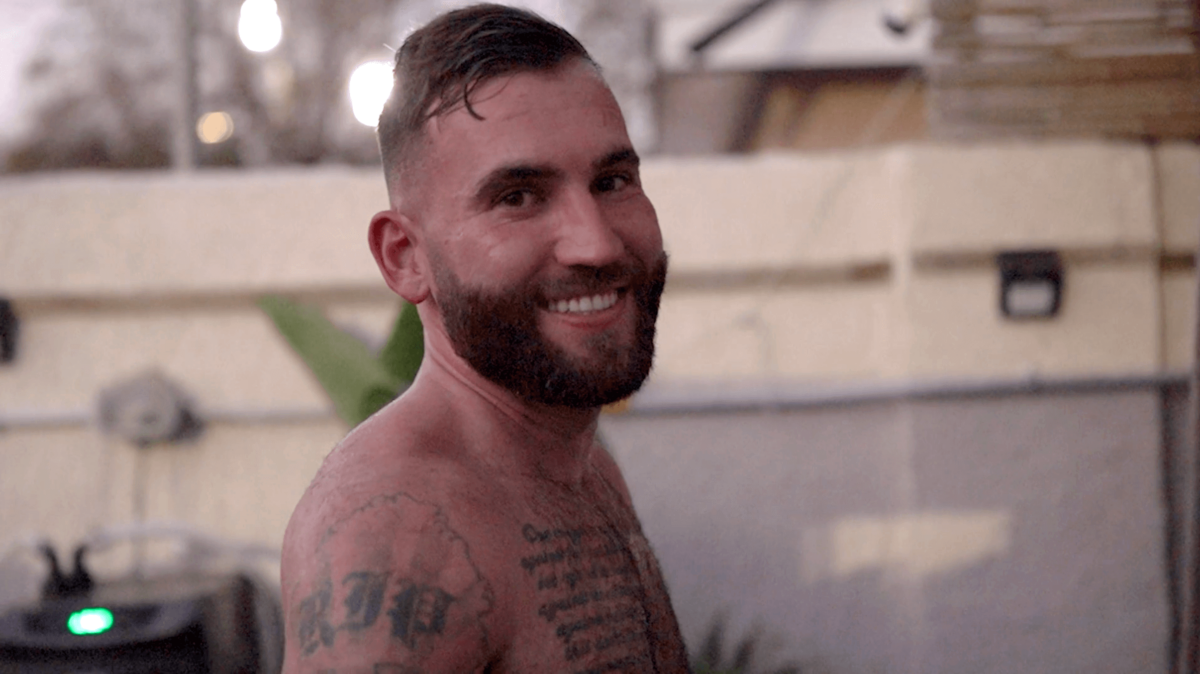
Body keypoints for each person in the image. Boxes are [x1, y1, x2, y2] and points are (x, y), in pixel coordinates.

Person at [279, 4, 691, 673]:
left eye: (613, 181)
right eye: (519, 197)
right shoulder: (394, 539)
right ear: (405, 257)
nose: (597, 242)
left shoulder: (579, 466)